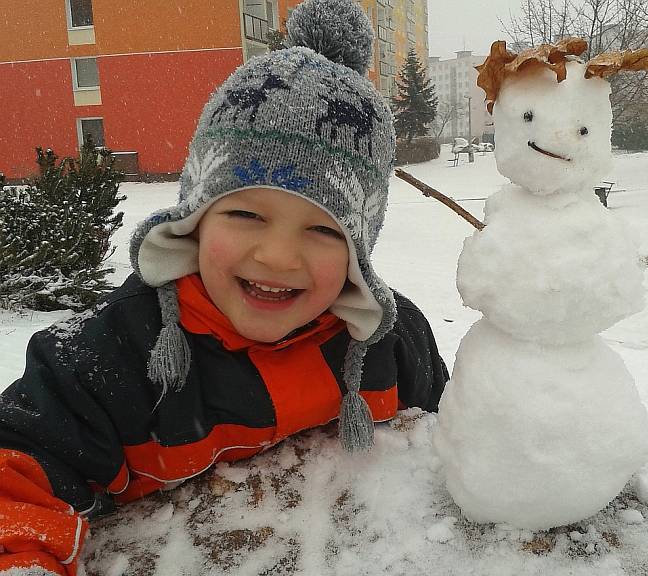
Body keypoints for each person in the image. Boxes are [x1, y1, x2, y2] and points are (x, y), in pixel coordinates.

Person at [0, 1, 449, 574]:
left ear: (359, 253)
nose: (278, 256)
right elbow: (16, 479)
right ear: (194, 218)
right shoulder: (108, 358)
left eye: (321, 229)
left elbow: (456, 439)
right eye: (245, 216)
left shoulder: (393, 343)